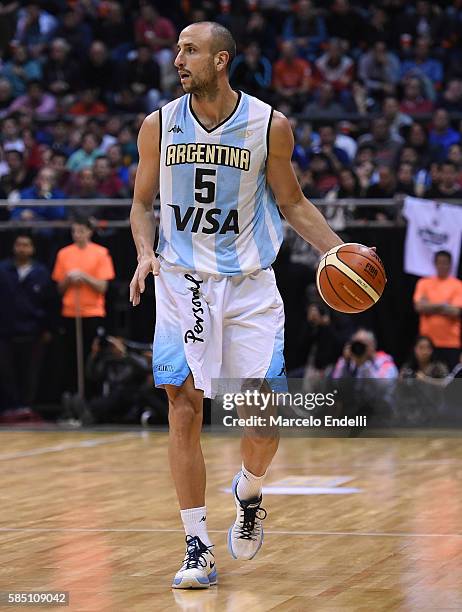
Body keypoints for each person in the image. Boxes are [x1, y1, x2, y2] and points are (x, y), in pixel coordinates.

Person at [128, 21, 350, 591]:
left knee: (261, 419)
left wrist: (341, 253)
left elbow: (293, 203)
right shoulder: (157, 125)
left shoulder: (269, 124)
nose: (178, 59)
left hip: (249, 285)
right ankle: (196, 545)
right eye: (177, 49)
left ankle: (249, 489)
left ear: (221, 59)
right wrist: (144, 252)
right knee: (184, 406)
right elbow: (140, 204)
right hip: (181, 282)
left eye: (191, 50)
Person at [52, 217, 115, 395]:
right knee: (70, 359)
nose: (77, 235)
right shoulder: (64, 254)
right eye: (74, 231)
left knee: (91, 359)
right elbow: (59, 288)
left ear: (89, 232)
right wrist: (69, 279)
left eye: (80, 231)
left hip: (92, 312)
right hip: (70, 312)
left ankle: (92, 399)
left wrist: (84, 277)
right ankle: (71, 397)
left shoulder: (101, 253)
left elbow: (103, 286)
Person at [0, 234, 53, 414]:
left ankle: (26, 406)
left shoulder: (41, 272)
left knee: (30, 371)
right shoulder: (3, 270)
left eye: (26, 245)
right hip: (6, 330)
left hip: (33, 330)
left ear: (32, 248)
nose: (22, 248)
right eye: (19, 244)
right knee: (7, 371)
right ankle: (11, 407)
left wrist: (46, 328)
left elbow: (49, 302)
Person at [414, 250, 462, 370]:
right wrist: (444, 306)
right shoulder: (424, 283)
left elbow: (456, 311)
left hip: (451, 342)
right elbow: (419, 307)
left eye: (445, 263)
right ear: (435, 264)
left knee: (451, 380)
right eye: (439, 262)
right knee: (427, 377)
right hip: (427, 343)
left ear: (451, 265)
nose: (442, 266)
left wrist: (430, 306)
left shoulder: (458, 285)